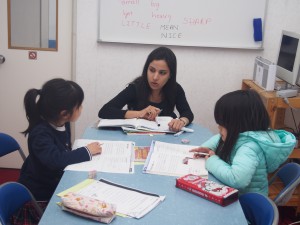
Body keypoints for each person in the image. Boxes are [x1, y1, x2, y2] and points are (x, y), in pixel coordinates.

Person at [13, 78, 102, 224]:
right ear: (64, 113)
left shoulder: (62, 123)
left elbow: (62, 152)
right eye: (79, 106)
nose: (81, 109)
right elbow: (56, 160)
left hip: (54, 180)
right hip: (39, 194)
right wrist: (86, 151)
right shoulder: (40, 134)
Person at [190, 89, 296, 196]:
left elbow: (237, 179)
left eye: (222, 125)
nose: (219, 128)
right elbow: (219, 138)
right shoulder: (243, 135)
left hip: (245, 204)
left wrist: (212, 161)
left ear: (238, 125)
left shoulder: (249, 148)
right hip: (235, 195)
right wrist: (208, 147)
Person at [98, 46, 194, 132]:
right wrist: (139, 113)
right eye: (152, 70)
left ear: (170, 75)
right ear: (146, 69)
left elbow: (187, 113)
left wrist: (181, 121)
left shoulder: (175, 89)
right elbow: (105, 111)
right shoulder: (135, 87)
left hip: (165, 137)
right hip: (136, 136)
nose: (155, 77)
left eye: (162, 73)